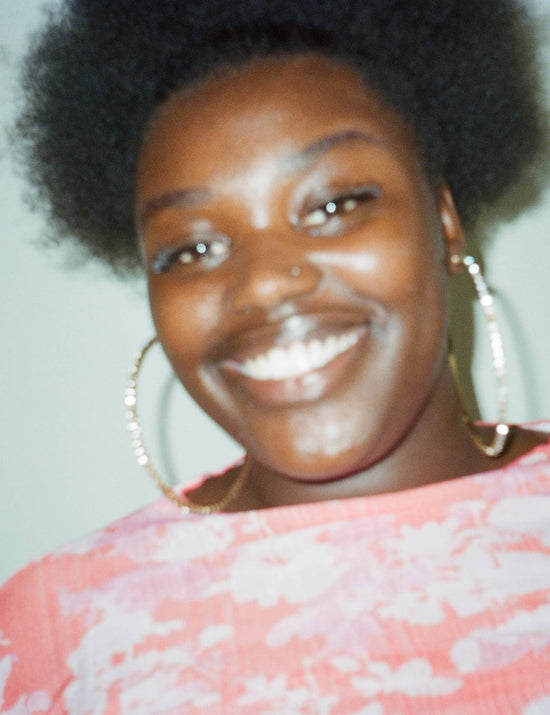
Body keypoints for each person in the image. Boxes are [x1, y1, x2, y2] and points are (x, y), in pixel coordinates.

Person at [1, 0, 550, 712]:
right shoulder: (60, 635)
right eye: (192, 248)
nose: (262, 283)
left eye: (333, 205)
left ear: (444, 220)